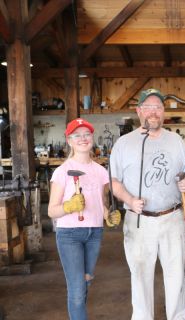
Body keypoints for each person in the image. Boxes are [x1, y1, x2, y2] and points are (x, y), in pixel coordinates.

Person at [110, 88, 185, 320]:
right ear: (139, 111)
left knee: (176, 278)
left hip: (172, 219)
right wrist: (129, 200)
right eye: (148, 107)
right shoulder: (123, 144)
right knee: (141, 277)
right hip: (139, 221)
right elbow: (114, 183)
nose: (153, 112)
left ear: (164, 112)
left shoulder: (176, 141)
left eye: (158, 107)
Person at [48, 118, 121, 320]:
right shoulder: (62, 171)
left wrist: (108, 216)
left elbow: (102, 203)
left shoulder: (101, 171)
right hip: (69, 235)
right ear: (69, 141)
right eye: (77, 135)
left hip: (95, 233)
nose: (83, 138)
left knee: (86, 280)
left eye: (87, 134)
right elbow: (52, 211)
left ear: (92, 138)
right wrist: (69, 206)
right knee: (78, 290)